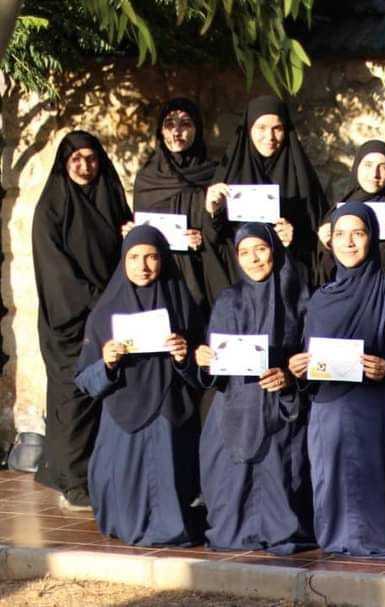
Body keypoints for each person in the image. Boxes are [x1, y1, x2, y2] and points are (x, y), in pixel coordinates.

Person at [288, 202, 385, 558]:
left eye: (358, 233)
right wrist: (299, 368)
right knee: (331, 477)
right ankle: (336, 541)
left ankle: (381, 540)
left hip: (375, 409)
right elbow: (310, 356)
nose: (348, 243)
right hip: (328, 411)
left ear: (372, 238)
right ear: (330, 241)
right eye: (340, 235)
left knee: (376, 481)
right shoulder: (320, 299)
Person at [75, 226, 203, 546]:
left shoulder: (182, 305)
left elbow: (203, 372)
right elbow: (85, 380)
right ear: (123, 261)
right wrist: (107, 363)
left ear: (164, 260)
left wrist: (183, 357)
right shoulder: (105, 312)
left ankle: (169, 526)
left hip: (168, 408)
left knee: (168, 472)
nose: (142, 266)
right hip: (122, 410)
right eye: (133, 257)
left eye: (151, 257)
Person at [195, 223, 314, 554]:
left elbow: (310, 357)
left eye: (260, 249)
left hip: (282, 410)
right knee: (231, 487)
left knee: (281, 482)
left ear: (275, 251)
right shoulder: (228, 300)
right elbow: (215, 370)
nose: (254, 259)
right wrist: (205, 360)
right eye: (244, 252)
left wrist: (289, 377)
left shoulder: (300, 298)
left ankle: (280, 531)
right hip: (234, 409)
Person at [32, 130, 133, 509]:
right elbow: (54, 268)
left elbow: (127, 249)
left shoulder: (110, 195)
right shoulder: (52, 205)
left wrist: (130, 235)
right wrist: (95, 301)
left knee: (103, 392)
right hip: (70, 318)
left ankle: (94, 472)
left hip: (108, 313)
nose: (85, 166)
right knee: (72, 395)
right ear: (64, 163)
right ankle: (72, 479)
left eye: (91, 158)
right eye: (76, 159)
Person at [206, 96, 329, 286]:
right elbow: (216, 239)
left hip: (291, 280)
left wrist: (295, 237)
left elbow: (319, 235)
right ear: (249, 129)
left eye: (277, 128)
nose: (270, 137)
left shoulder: (302, 178)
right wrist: (213, 211)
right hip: (241, 281)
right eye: (261, 128)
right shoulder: (230, 175)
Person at [132, 97, 232, 310]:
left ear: (197, 130)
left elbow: (226, 233)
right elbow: (144, 235)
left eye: (186, 124)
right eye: (169, 124)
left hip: (202, 274)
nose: (176, 132)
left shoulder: (215, 174)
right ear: (161, 131)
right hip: (160, 278)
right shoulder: (147, 180)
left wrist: (204, 233)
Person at [316, 139, 385, 282]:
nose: (375, 174)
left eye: (383, 167)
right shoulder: (338, 214)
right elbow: (323, 274)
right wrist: (326, 247)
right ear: (357, 167)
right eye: (368, 165)